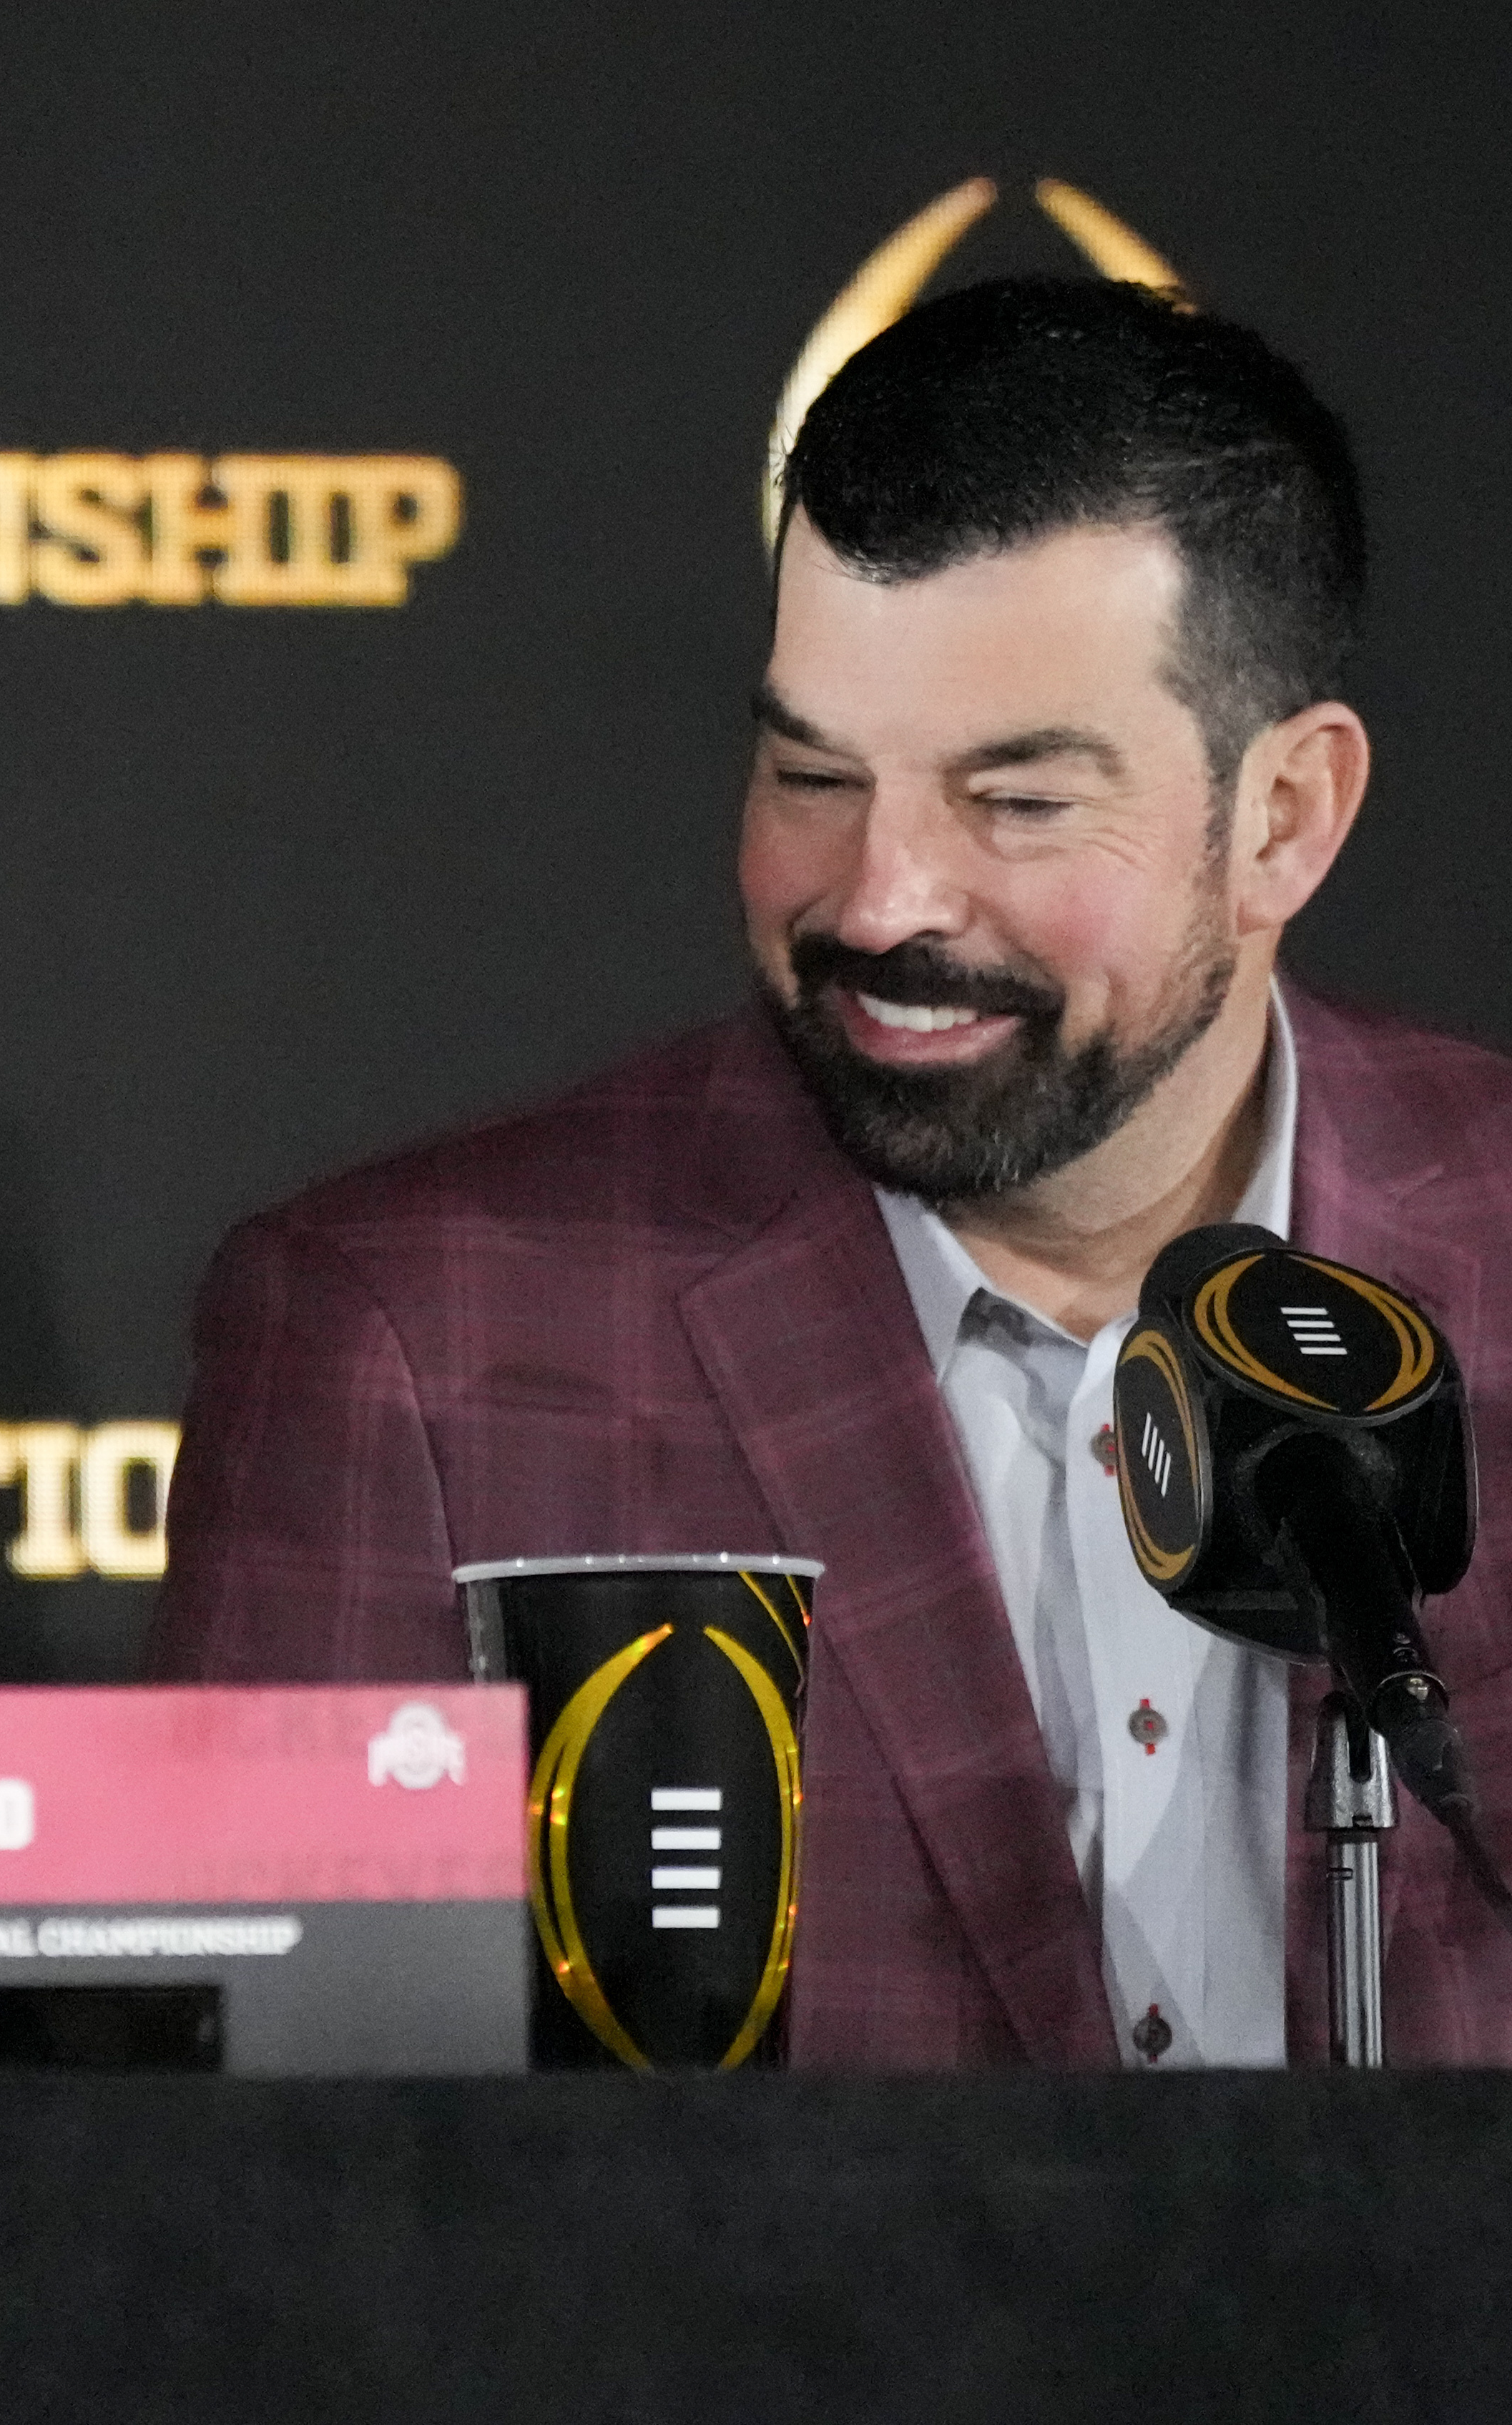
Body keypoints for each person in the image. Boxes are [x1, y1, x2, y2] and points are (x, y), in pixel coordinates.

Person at [152, 276, 1512, 2067]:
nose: (877, 901)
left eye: (1016, 801)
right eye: (810, 774)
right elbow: (236, 2216)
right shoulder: (414, 1344)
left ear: (1283, 818)